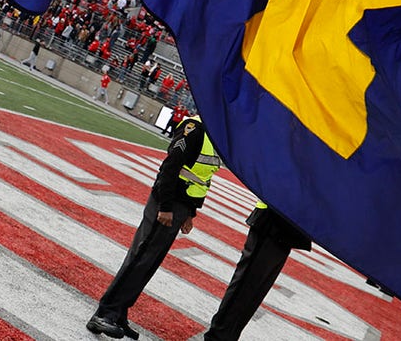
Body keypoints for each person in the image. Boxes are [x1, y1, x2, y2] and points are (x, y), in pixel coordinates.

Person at [87, 113, 222, 339]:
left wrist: (190, 212)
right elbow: (170, 167)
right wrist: (166, 207)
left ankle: (119, 312)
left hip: (180, 206)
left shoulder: (215, 134)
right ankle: (104, 313)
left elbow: (202, 178)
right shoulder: (194, 128)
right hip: (167, 203)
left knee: (149, 263)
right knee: (140, 258)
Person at [204, 203, 311, 340]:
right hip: (272, 222)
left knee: (254, 294)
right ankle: (217, 338)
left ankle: (226, 337)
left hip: (287, 228)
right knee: (245, 287)